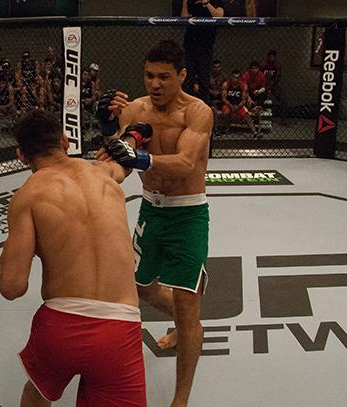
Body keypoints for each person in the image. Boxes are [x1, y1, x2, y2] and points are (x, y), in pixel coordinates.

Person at [0, 110, 146, 407]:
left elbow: (11, 286)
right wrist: (128, 138)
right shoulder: (103, 173)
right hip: (119, 327)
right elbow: (124, 165)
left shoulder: (27, 196)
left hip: (60, 327)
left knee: (36, 393)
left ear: (20, 155)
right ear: (65, 141)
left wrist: (14, 238)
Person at [95, 39, 212, 407]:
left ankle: (180, 398)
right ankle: (184, 323)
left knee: (187, 303)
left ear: (182, 75)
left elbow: (185, 164)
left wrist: (139, 158)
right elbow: (118, 165)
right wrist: (106, 128)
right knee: (143, 289)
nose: (155, 84)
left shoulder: (197, 112)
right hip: (151, 210)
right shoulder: (134, 110)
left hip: (188, 213)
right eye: (149, 76)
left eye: (164, 76)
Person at [181, 0, 224, 104]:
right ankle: (187, 108)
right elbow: (183, 18)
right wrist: (185, 3)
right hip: (190, 44)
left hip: (206, 46)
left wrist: (206, 3)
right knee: (188, 80)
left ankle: (204, 110)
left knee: (204, 81)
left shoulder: (215, 2)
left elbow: (219, 16)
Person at [220, 69, 259, 138]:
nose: (235, 79)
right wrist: (231, 105)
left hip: (239, 105)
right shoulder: (226, 84)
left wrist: (238, 106)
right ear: (231, 77)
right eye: (234, 77)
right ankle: (227, 127)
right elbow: (224, 98)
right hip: (228, 104)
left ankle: (255, 132)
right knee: (225, 112)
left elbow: (244, 100)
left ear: (240, 78)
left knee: (246, 115)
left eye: (237, 78)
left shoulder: (243, 86)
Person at [260, 49, 286, 125]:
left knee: (284, 99)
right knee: (259, 98)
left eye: (273, 57)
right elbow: (260, 76)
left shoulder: (277, 65)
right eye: (270, 56)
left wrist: (271, 85)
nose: (271, 58)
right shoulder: (263, 64)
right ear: (268, 57)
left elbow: (278, 77)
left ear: (275, 57)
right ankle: (257, 117)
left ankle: (283, 119)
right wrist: (265, 86)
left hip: (273, 85)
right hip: (263, 85)